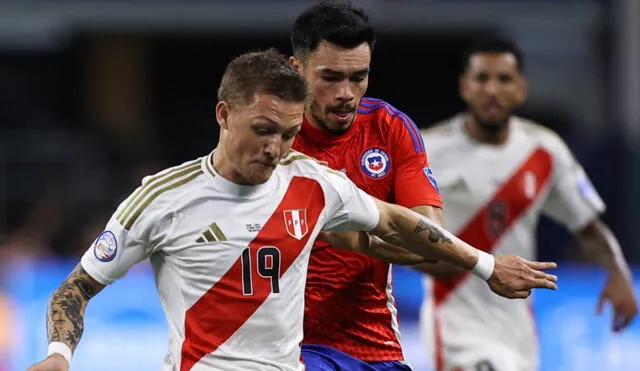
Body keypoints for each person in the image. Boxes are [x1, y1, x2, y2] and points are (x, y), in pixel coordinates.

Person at [28, 49, 558, 371]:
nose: (275, 149)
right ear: (223, 115)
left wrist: (486, 266)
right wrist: (59, 353)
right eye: (262, 131)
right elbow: (76, 287)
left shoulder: (312, 182)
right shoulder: (162, 198)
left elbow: (397, 221)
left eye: (286, 134)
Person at [417, 35, 638, 371]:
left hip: (519, 331)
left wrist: (618, 272)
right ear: (465, 86)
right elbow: (399, 230)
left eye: (503, 79)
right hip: (455, 324)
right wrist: (450, 262)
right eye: (482, 78)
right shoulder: (428, 150)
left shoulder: (544, 151)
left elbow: (588, 227)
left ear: (521, 87)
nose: (492, 89)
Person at [288, 2, 442, 370]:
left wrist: (356, 239)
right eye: (330, 77)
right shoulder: (270, 136)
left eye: (358, 77)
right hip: (288, 345)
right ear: (296, 70)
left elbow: (432, 241)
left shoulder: (390, 130)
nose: (346, 93)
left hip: (373, 345)